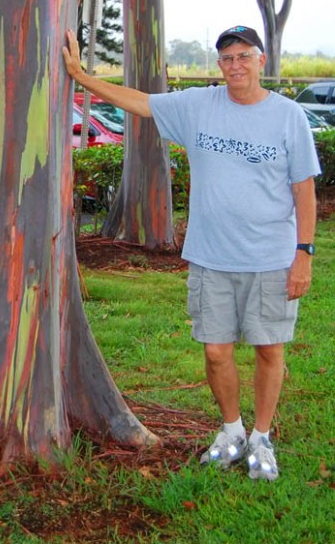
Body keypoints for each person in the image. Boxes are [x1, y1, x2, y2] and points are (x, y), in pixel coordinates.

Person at [63, 25, 320, 481]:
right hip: (211, 257)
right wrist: (82, 77)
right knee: (217, 352)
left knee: (268, 350)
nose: (235, 65)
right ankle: (232, 431)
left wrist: (304, 253)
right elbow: (140, 102)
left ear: (261, 60)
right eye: (227, 58)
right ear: (219, 65)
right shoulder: (199, 106)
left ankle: (262, 437)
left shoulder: (288, 117)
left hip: (271, 258)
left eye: (244, 56)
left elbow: (304, 190)